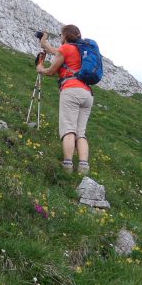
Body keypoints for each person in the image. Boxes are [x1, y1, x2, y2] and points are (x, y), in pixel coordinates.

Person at [36, 25, 93, 174]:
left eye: (61, 35)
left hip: (71, 90)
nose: (60, 37)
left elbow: (51, 71)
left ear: (66, 36)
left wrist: (42, 69)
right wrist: (45, 44)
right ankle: (83, 168)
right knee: (81, 132)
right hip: (87, 94)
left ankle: (67, 166)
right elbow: (56, 52)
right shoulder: (81, 50)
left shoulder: (66, 48)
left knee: (68, 129)